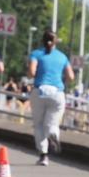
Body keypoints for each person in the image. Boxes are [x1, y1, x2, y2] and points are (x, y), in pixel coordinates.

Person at [27, 29, 74, 166]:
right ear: (55, 42)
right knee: (52, 123)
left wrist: (35, 74)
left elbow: (31, 72)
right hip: (57, 92)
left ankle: (43, 155)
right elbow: (71, 76)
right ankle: (53, 133)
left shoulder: (36, 54)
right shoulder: (62, 57)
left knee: (39, 125)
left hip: (40, 90)